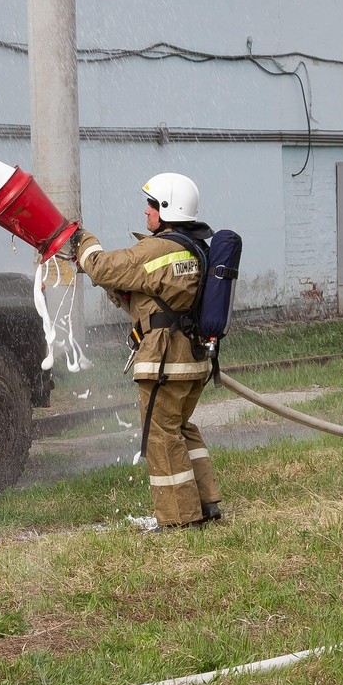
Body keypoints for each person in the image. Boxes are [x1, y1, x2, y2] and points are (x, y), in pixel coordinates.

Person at [73, 172, 222, 531]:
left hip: (166, 362)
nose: (146, 212)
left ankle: (179, 519)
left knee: (160, 434)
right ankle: (207, 503)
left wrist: (83, 242)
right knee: (180, 428)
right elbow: (155, 302)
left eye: (152, 206)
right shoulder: (195, 248)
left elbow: (105, 266)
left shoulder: (158, 250)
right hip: (194, 360)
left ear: (168, 208)